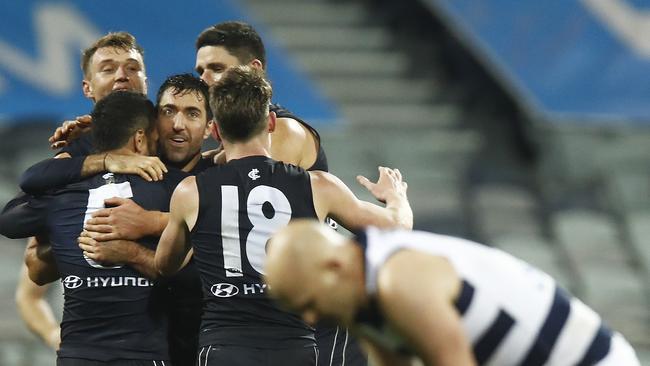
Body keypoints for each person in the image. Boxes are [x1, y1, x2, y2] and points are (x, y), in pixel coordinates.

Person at [154, 66, 412, 366]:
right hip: (294, 349)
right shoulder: (317, 186)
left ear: (215, 131)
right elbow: (398, 229)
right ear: (272, 122)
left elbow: (164, 265)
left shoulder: (191, 191)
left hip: (225, 349)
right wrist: (396, 197)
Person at [18, 73, 215, 366]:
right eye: (168, 111)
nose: (177, 124)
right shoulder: (95, 168)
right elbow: (23, 237)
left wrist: (148, 227)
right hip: (139, 351)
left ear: (210, 127)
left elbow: (207, 279)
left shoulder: (211, 181)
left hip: (193, 348)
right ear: (149, 129)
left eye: (192, 113)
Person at [195, 21, 361, 365]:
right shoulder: (230, 145)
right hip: (280, 317)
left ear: (254, 70)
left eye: (217, 68)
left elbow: (238, 212)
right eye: (201, 70)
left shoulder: (282, 131)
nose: (206, 79)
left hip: (318, 317)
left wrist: (150, 221)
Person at [265, 220, 642, 366]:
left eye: (309, 304)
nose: (311, 319)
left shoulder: (399, 278)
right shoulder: (361, 294)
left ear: (335, 267)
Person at [8, 31, 164, 352]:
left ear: (146, 81)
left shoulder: (173, 152)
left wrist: (146, 231)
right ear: (88, 88)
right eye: (108, 68)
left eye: (133, 68)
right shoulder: (69, 164)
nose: (123, 75)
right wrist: (57, 339)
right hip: (93, 343)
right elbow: (34, 272)